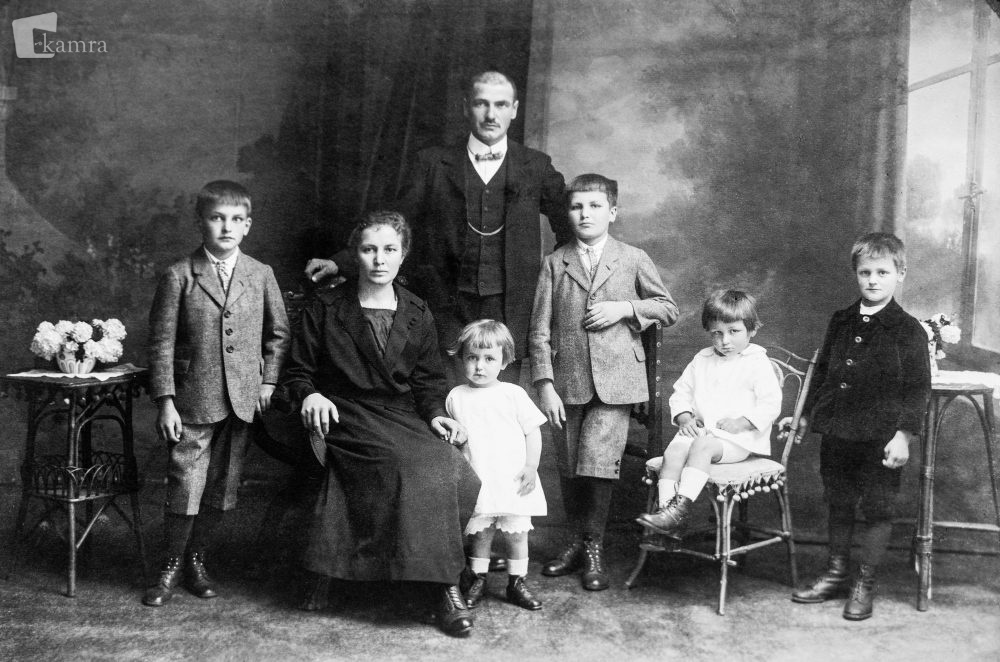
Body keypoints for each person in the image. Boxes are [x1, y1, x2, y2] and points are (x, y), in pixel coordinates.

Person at [283, 211, 482, 638]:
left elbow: (428, 382)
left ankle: (435, 578)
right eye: (369, 249)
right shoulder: (327, 306)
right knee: (406, 466)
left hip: (401, 414)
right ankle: (443, 587)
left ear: (403, 254)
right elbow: (298, 372)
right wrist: (311, 394)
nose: (379, 259)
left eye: (389, 249)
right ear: (355, 254)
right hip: (346, 412)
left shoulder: (416, 310)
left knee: (452, 466)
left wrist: (437, 414)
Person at [304, 70, 570, 384]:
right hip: (446, 302)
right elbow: (396, 224)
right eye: (481, 104)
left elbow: (569, 224)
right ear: (466, 107)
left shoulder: (536, 165)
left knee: (499, 398)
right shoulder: (431, 163)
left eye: (500, 105)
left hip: (510, 305)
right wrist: (341, 262)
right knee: (443, 395)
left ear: (514, 110)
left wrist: (561, 276)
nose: (491, 114)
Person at [529, 173, 679, 591]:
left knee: (597, 461)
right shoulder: (555, 263)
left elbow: (667, 308)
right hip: (568, 381)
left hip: (618, 383)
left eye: (595, 206)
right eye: (577, 206)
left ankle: (593, 546)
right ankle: (574, 543)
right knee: (569, 464)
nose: (585, 214)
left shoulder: (633, 258)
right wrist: (544, 384)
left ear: (612, 212)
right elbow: (538, 331)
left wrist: (625, 308)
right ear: (567, 213)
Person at [145, 180, 291, 607]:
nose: (226, 227)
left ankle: (197, 560)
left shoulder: (260, 274)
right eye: (216, 218)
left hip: (243, 398)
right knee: (185, 483)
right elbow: (161, 343)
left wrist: (268, 382)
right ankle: (170, 564)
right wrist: (165, 402)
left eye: (235, 219)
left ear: (247, 225)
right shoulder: (179, 275)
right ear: (200, 223)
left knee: (223, 488)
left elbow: (278, 334)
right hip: (193, 397)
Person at [787, 232, 930, 621]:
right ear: (856, 274)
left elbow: (918, 389)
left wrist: (903, 436)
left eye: (883, 272)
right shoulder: (841, 320)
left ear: (900, 274)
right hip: (838, 431)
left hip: (880, 437)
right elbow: (824, 372)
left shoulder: (908, 329)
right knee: (838, 501)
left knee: (878, 508)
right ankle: (836, 574)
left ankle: (864, 583)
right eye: (865, 272)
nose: (873, 280)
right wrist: (805, 415)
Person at [636, 290, 781, 545]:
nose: (725, 340)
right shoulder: (702, 360)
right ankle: (667, 516)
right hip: (703, 434)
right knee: (674, 451)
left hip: (737, 440)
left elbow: (770, 404)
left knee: (702, 446)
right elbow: (681, 393)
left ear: (751, 330)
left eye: (734, 331)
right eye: (717, 333)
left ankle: (679, 511)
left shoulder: (757, 362)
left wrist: (742, 422)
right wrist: (684, 417)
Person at [445, 320, 547, 611]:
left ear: (504, 361)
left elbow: (532, 431)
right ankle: (477, 579)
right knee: (481, 533)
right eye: (472, 357)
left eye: (489, 358)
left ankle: (517, 582)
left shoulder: (513, 394)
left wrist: (531, 466)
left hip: (513, 477)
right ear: (462, 359)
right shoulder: (456, 397)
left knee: (517, 534)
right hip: (478, 477)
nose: (479, 366)